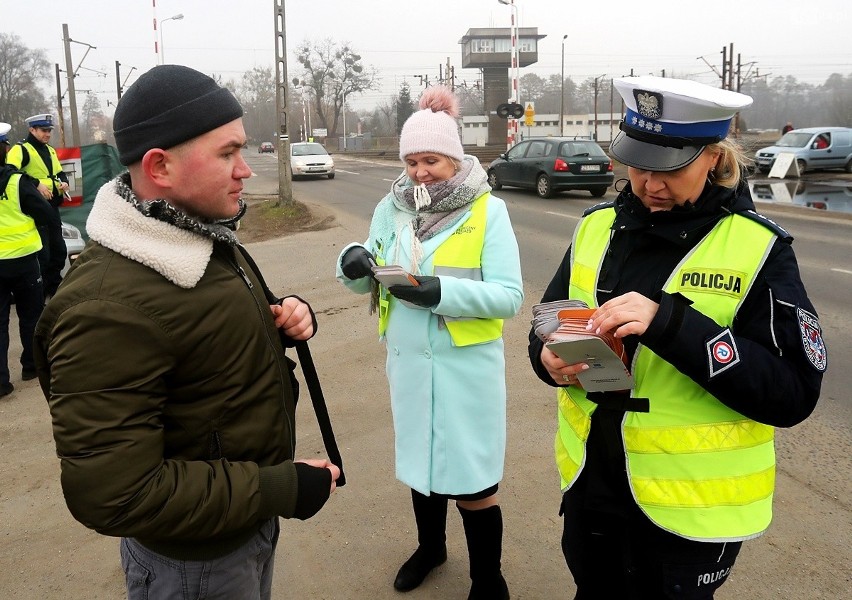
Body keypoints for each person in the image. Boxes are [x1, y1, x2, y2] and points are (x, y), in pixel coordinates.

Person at [33, 65, 341, 600]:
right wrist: (279, 487)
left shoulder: (197, 236)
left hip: (240, 530)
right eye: (227, 154)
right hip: (193, 568)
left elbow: (209, 331)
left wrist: (284, 317)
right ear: (161, 167)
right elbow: (116, 493)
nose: (245, 170)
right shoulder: (107, 306)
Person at [528, 76, 825, 599]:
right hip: (592, 489)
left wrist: (672, 325)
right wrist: (546, 359)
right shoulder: (596, 228)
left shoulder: (760, 251)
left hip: (686, 517)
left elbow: (793, 393)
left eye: (670, 170)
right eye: (637, 165)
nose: (649, 185)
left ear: (712, 157)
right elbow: (549, 320)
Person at [336, 85, 523, 599]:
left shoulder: (489, 211)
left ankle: (489, 577)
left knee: (473, 479)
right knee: (422, 468)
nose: (420, 172)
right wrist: (351, 260)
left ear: (455, 158)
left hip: (466, 369)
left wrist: (440, 293)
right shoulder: (391, 208)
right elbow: (364, 272)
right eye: (413, 161)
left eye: (433, 160)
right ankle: (431, 549)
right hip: (409, 364)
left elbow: (508, 296)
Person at [0, 122, 54, 397]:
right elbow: (45, 213)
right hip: (23, 260)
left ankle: (0, 382)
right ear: (4, 149)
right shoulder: (17, 182)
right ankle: (31, 366)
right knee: (31, 316)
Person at [5, 114, 68, 297]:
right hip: (35, 210)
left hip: (52, 207)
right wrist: (35, 184)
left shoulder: (50, 150)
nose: (48, 134)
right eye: (43, 130)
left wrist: (64, 183)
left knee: (58, 252)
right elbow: (10, 171)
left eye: (49, 130)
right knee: (44, 256)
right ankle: (40, 294)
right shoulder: (21, 149)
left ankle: (54, 292)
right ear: (32, 130)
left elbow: (59, 173)